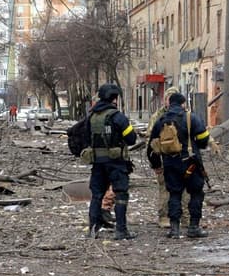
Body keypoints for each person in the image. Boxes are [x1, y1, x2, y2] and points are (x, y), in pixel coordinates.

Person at [149, 91, 211, 239]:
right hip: (190, 163)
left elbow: (152, 146)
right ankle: (194, 227)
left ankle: (174, 229)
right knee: (196, 193)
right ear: (183, 104)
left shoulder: (161, 120)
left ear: (169, 103)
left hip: (170, 164)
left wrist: (156, 165)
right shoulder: (191, 118)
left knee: (174, 194)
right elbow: (203, 140)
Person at [86, 83, 138, 240]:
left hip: (97, 163)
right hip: (116, 163)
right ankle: (121, 230)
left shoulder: (92, 117)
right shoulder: (117, 117)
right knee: (121, 194)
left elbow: (86, 138)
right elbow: (131, 139)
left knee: (97, 195)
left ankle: (93, 229)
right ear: (114, 98)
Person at [148, 87, 189, 230]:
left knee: (185, 190)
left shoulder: (186, 116)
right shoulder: (158, 118)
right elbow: (151, 141)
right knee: (165, 189)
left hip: (183, 158)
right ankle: (164, 217)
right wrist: (155, 164)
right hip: (163, 158)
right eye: (167, 98)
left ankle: (184, 217)